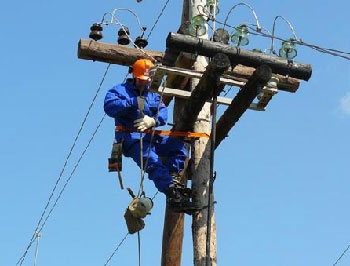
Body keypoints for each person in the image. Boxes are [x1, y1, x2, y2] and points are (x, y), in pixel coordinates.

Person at [104, 58, 192, 212]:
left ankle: (172, 177)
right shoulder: (119, 91)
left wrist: (153, 120)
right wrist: (131, 102)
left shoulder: (153, 95)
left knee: (177, 146)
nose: (144, 83)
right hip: (132, 140)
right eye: (141, 80)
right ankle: (172, 193)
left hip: (152, 137)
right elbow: (109, 107)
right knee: (152, 160)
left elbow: (163, 114)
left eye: (147, 80)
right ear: (134, 76)